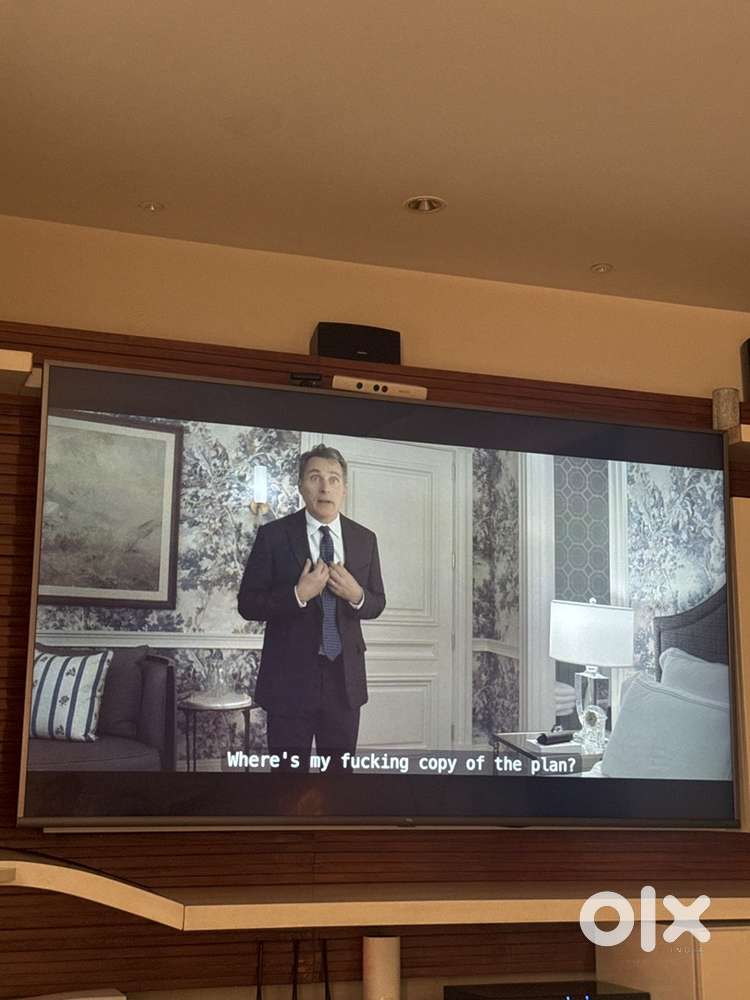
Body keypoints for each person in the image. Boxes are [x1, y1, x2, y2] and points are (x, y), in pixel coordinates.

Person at [238, 444, 386, 770]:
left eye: (334, 479)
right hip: (288, 680)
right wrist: (297, 594)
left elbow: (377, 602)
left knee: (339, 776)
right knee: (288, 778)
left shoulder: (365, 539)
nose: (325, 487)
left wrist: (356, 594)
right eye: (315, 477)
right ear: (300, 486)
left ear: (344, 489)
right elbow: (247, 604)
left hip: (344, 681)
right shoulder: (273, 536)